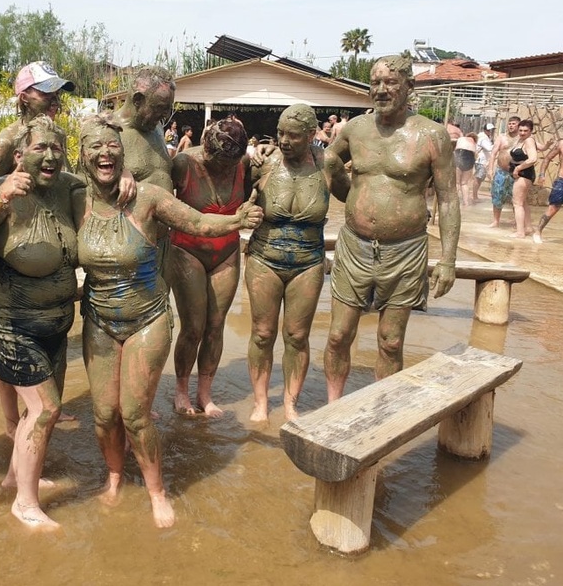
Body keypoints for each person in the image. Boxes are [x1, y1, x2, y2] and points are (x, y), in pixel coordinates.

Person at [76, 112, 263, 528]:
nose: (105, 154)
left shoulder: (148, 197)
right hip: (99, 319)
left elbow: (195, 221)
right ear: (83, 155)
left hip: (147, 318)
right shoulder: (73, 198)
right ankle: (112, 478)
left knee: (135, 413)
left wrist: (237, 221)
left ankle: (157, 491)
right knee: (105, 414)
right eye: (96, 148)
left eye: (113, 148)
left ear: (124, 155)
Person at [0, 115, 82, 530]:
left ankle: (14, 477)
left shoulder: (67, 188)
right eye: (41, 147)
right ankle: (25, 503)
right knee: (46, 409)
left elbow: (104, 178)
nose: (51, 155)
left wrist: (127, 175)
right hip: (12, 323)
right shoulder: (2, 189)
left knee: (40, 413)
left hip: (57, 322)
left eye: (58, 148)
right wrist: (0, 198)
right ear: (20, 155)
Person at [321, 55, 459, 402]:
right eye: (375, 83)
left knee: (391, 340)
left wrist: (448, 260)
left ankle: (382, 409)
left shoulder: (432, 135)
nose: (381, 90)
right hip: (354, 245)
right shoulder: (354, 129)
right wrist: (345, 194)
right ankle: (333, 406)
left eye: (390, 83)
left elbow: (448, 199)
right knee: (338, 335)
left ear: (409, 87)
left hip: (406, 250)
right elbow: (328, 161)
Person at [244, 104, 339, 422]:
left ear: (312, 135)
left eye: (293, 135)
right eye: (280, 132)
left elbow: (357, 197)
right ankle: (260, 402)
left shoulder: (328, 165)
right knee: (262, 333)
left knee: (297, 336)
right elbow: (226, 184)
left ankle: (290, 403)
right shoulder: (264, 161)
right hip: (264, 258)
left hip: (307, 262)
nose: (283, 140)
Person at [168, 117, 252, 417]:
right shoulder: (183, 164)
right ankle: (181, 390)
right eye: (217, 161)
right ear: (207, 149)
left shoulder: (244, 164)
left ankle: (205, 394)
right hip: (186, 249)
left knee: (215, 326)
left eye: (228, 163)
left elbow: (258, 195)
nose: (222, 168)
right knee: (193, 326)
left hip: (227, 250)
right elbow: (161, 202)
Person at [0, 61, 76, 179]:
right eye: (46, 94)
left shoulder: (58, 135)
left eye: (57, 94)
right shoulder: (7, 142)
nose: (55, 101)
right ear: (24, 98)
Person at [533, 132, 563, 244]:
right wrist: (541, 174)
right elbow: (547, 158)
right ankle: (538, 232)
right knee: (553, 208)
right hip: (562, 180)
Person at [508, 119, 540, 238]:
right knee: (523, 202)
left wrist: (518, 169)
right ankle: (528, 227)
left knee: (517, 203)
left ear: (531, 131)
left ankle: (520, 232)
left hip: (524, 173)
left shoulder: (529, 141)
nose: (522, 133)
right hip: (522, 173)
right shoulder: (521, 140)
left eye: (525, 131)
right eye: (520, 130)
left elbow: (533, 159)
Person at [487, 116, 520, 228]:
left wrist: (546, 146)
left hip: (515, 173)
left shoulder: (522, 138)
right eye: (509, 123)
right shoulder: (501, 138)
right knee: (497, 195)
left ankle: (517, 221)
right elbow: (493, 153)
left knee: (516, 197)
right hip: (501, 171)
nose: (511, 125)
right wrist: (490, 169)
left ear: (518, 125)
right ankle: (496, 220)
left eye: (513, 123)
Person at [472, 123, 495, 203]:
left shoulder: (485, 137)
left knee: (479, 178)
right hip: (481, 161)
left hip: (482, 161)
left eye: (491, 130)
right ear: (485, 130)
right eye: (489, 130)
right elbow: (489, 148)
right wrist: (498, 145)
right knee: (478, 178)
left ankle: (475, 196)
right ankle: (474, 196)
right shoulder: (483, 138)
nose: (490, 132)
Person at [454, 130, 478, 206]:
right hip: (470, 159)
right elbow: (476, 156)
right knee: (464, 183)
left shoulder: (461, 139)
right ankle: (466, 203)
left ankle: (455, 202)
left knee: (457, 182)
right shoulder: (474, 143)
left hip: (460, 155)